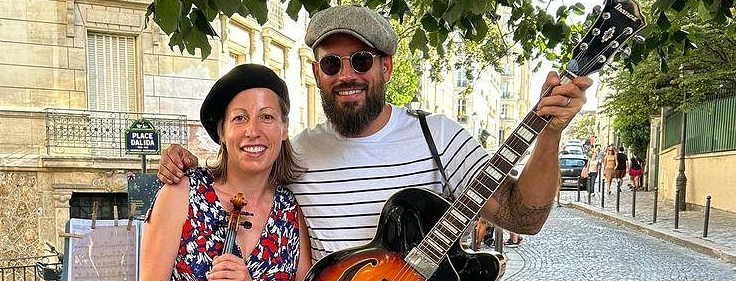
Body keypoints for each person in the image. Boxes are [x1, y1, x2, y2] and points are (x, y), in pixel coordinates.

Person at [157, 5, 592, 261]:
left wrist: (550, 134)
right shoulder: (298, 152)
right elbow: (240, 180)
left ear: (385, 66)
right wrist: (186, 165)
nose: (347, 75)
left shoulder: (437, 137)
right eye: (332, 64)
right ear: (317, 73)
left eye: (361, 61)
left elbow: (523, 218)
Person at [140, 64, 311, 281]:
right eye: (239, 118)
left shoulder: (289, 211)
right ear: (222, 131)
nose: (253, 131)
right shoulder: (182, 194)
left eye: (266, 117)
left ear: (284, 128)